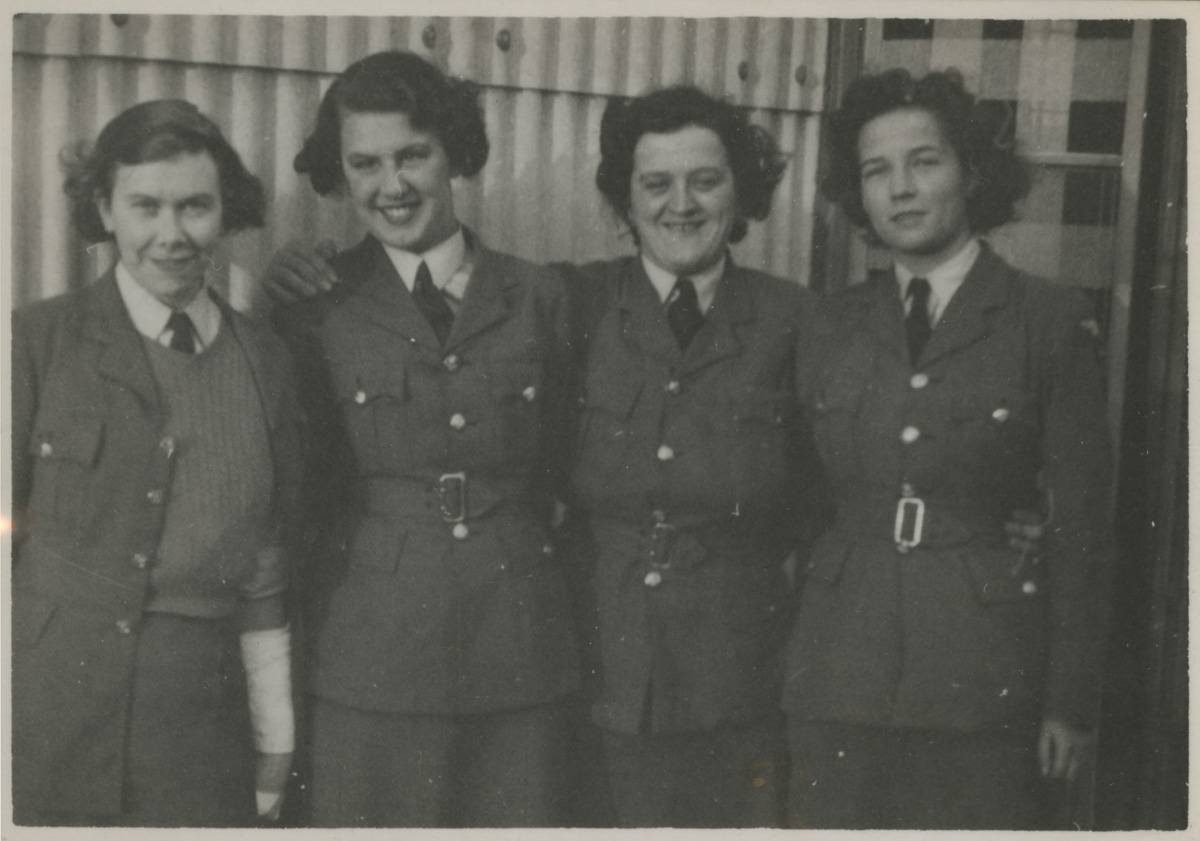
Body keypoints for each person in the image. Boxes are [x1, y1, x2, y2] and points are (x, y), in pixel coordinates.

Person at [781, 68, 1115, 830]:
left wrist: (1070, 701)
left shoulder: (1047, 319)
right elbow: (794, 500)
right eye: (876, 170)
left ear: (971, 171)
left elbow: (1086, 528)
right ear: (856, 193)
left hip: (985, 672)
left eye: (923, 161)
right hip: (839, 672)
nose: (900, 188)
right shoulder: (826, 326)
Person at [268, 51, 579, 828]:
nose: (392, 185)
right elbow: (303, 495)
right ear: (339, 175)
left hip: (519, 644)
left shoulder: (541, 295)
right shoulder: (317, 307)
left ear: (456, 154)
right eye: (365, 164)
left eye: (414, 155)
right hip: (372, 652)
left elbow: (569, 466)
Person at [11, 100, 299, 827]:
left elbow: (266, 562)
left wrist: (276, 733)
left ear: (226, 212)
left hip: (200, 721)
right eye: (146, 206)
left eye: (195, 206)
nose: (171, 235)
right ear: (105, 209)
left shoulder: (266, 357)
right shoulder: (36, 342)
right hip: (54, 716)